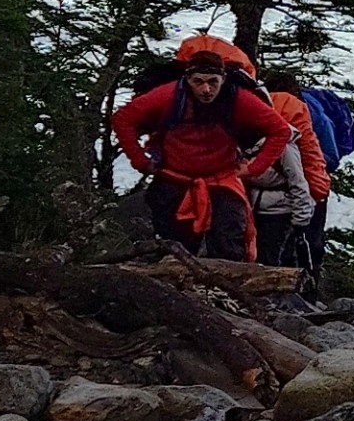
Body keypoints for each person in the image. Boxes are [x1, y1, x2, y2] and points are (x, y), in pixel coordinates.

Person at [110, 34, 293, 260]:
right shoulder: (169, 96)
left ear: (223, 80)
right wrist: (139, 160)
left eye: (213, 82)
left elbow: (280, 130)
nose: (206, 89)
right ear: (187, 79)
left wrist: (254, 169)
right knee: (173, 245)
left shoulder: (239, 99)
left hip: (222, 181)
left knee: (229, 245)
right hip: (173, 180)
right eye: (198, 82)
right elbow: (123, 119)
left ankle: (225, 290)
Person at [248, 59, 332, 279]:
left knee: (261, 250)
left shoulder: (251, 112)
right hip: (301, 194)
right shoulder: (311, 113)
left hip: (258, 200)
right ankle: (305, 291)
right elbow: (329, 153)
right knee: (302, 245)